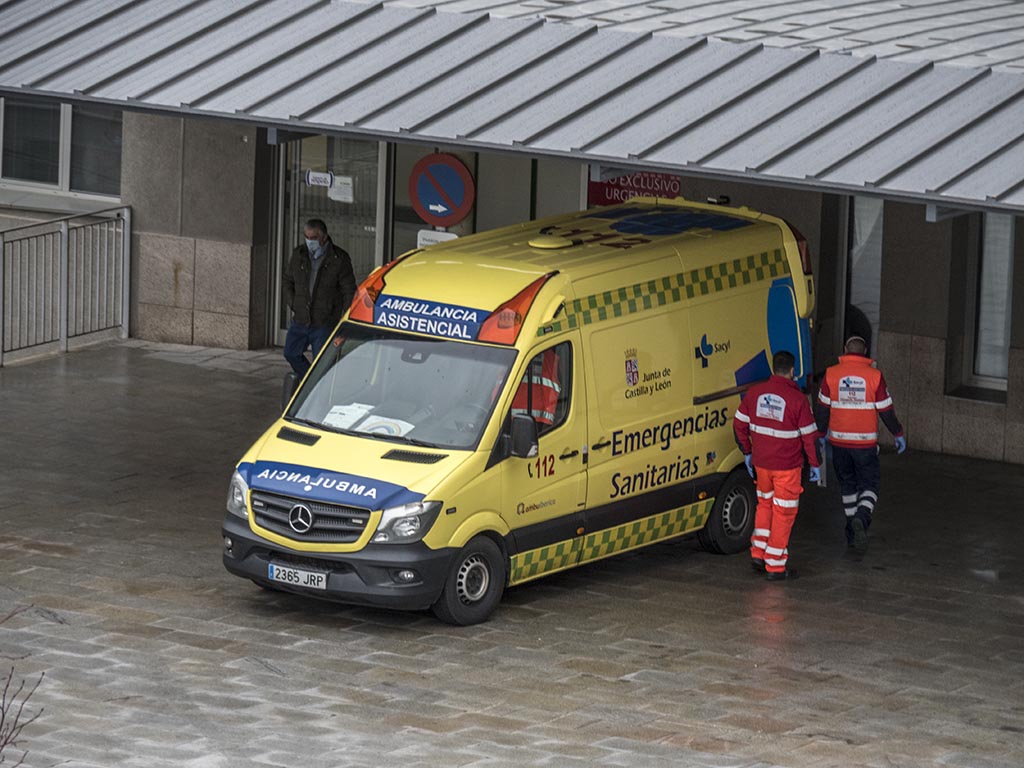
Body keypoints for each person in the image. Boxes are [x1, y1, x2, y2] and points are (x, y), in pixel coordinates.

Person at [733, 350, 821, 581]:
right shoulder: (797, 400)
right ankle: (775, 566)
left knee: (764, 505)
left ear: (774, 368)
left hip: (761, 464)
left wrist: (747, 451)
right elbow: (810, 437)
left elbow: (739, 423)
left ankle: (758, 553)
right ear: (793, 371)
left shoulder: (755, 393)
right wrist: (815, 464)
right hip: (787, 468)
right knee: (783, 513)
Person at [815, 335, 906, 553]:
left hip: (838, 443)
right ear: (864, 352)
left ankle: (851, 531)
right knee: (871, 485)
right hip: (865, 445)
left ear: (845, 349)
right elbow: (886, 410)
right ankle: (862, 518)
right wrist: (898, 433)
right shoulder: (875, 376)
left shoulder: (831, 374)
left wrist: (819, 433)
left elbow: (821, 409)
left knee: (848, 485)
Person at [282, 218, 357, 377]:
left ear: (324, 237)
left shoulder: (339, 259)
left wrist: (346, 316)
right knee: (290, 353)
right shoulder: (299, 254)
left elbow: (348, 290)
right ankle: (310, 382)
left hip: (324, 321)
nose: (310, 241)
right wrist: (293, 302)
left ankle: (317, 387)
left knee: (321, 362)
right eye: (306, 237)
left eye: (314, 238)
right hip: (301, 317)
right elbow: (288, 281)